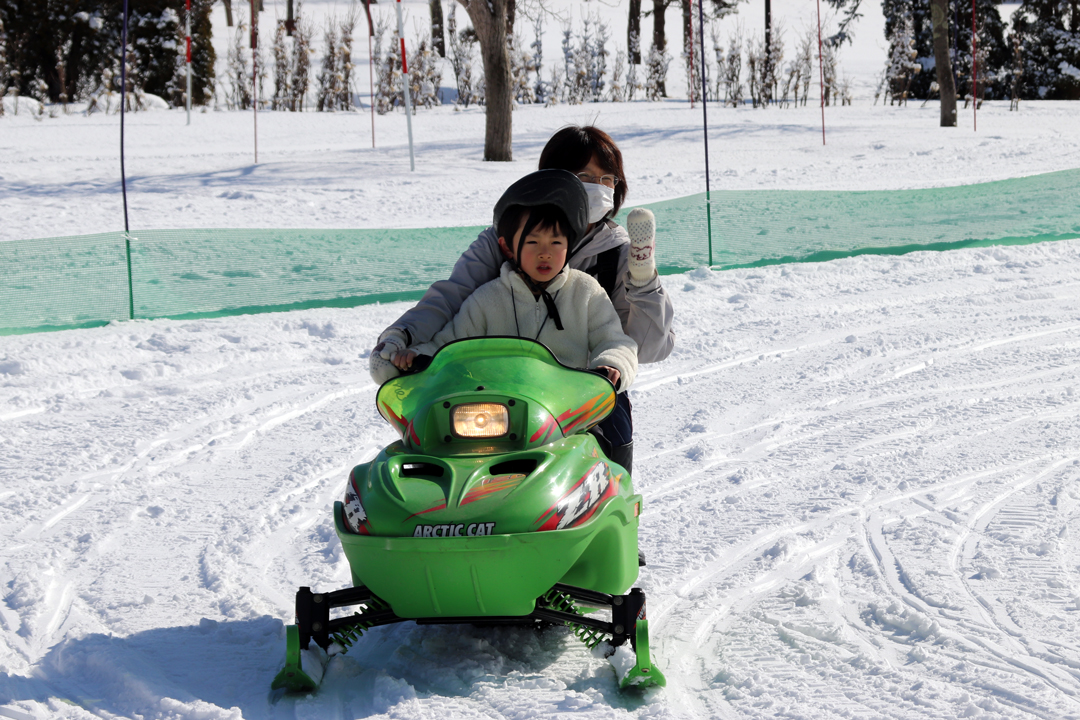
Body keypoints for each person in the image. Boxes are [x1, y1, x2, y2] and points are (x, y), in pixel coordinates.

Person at [369, 126, 675, 473]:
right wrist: (405, 342)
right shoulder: (504, 243)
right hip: (500, 393)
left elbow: (644, 345)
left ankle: (610, 506)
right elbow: (451, 304)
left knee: (611, 433)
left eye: (608, 180)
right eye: (585, 176)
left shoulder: (609, 262)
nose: (598, 188)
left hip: (579, 395)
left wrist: (643, 283)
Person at [382, 169, 638, 408]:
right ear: (507, 248)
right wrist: (416, 357)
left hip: (569, 409)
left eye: (556, 242)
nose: (545, 253)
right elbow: (448, 345)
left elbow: (614, 340)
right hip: (496, 411)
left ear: (569, 245)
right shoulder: (487, 300)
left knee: (606, 441)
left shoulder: (586, 292)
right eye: (532, 242)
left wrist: (610, 365)